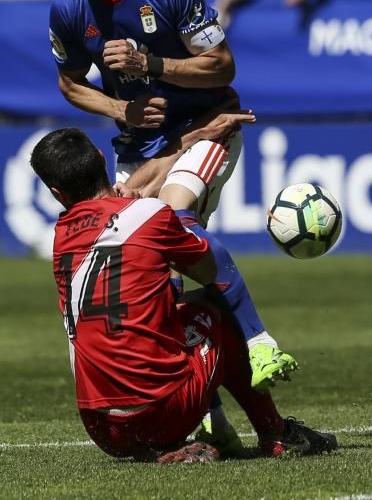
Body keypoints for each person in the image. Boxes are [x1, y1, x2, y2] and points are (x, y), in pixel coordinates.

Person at [48, 0, 296, 454]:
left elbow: (222, 65)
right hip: (140, 148)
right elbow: (68, 82)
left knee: (171, 220)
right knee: (154, 276)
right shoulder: (67, 3)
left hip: (208, 129)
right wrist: (119, 108)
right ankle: (207, 415)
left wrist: (150, 64)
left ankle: (258, 346)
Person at [30, 126, 339, 463]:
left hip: (103, 429)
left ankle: (189, 437)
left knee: (169, 312)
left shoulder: (60, 238)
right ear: (102, 159)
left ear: (57, 194)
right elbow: (212, 272)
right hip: (162, 413)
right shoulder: (150, 215)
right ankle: (276, 435)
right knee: (217, 306)